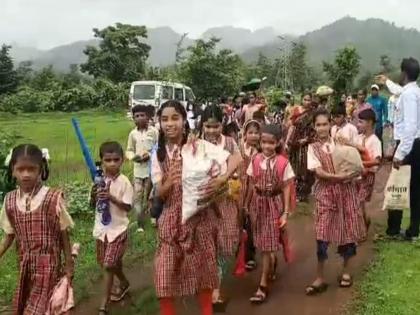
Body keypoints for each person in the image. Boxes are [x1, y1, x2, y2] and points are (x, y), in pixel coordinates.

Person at [150, 100, 241, 315]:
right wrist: (169, 181)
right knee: (165, 275)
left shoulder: (197, 147)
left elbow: (236, 158)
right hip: (171, 223)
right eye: (164, 119)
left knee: (203, 274)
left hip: (200, 220)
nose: (170, 124)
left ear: (184, 121)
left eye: (175, 118)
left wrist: (222, 180)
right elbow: (158, 193)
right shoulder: (159, 154)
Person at [0, 144, 74, 315]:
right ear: (13, 170)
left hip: (49, 264)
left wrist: (69, 264)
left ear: (41, 170)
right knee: (30, 303)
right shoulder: (10, 201)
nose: (26, 174)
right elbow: (9, 235)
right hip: (24, 264)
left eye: (31, 169)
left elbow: (64, 233)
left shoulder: (52, 198)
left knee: (35, 310)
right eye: (20, 169)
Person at [305, 109, 365, 296]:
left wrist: (353, 173)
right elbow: (317, 171)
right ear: (314, 127)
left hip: (347, 193)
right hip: (326, 194)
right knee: (322, 235)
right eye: (318, 124)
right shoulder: (312, 148)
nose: (322, 128)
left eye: (325, 124)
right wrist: (337, 177)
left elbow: (357, 161)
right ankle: (319, 277)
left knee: (347, 232)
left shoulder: (341, 142)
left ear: (330, 124)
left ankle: (346, 271)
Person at [245, 124, 294, 304]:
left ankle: (263, 284)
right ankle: (272, 260)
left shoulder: (283, 163)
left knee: (266, 246)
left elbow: (287, 186)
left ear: (278, 143)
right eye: (264, 142)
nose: (267, 146)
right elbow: (250, 183)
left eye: (271, 143)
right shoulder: (256, 160)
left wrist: (285, 212)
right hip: (258, 205)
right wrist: (246, 206)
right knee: (262, 242)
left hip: (274, 204)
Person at [199, 104, 243, 308]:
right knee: (208, 243)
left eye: (215, 126)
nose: (211, 131)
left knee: (225, 243)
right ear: (202, 126)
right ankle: (214, 289)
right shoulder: (196, 145)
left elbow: (238, 161)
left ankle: (215, 282)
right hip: (205, 202)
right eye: (207, 126)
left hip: (226, 199)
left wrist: (225, 178)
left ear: (221, 124)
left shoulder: (230, 143)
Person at [92, 142, 133, 314]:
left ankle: (104, 305)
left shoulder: (125, 182)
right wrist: (94, 195)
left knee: (109, 265)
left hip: (118, 230)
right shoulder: (98, 181)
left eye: (116, 160)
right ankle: (124, 282)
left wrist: (111, 197)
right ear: (101, 162)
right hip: (102, 231)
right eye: (107, 160)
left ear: (122, 160)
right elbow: (92, 205)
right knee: (108, 263)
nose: (112, 164)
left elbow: (128, 207)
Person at [391, 57, 420, 240]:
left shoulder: (409, 95)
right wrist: (386, 82)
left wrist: (401, 153)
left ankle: (393, 228)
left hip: (409, 144)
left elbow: (410, 126)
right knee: (416, 188)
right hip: (417, 143)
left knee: (397, 184)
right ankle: (413, 230)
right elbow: (398, 90)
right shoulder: (415, 91)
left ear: (404, 73)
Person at [126, 105, 158, 233]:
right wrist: (134, 157)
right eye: (137, 116)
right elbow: (129, 149)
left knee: (151, 194)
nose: (140, 118)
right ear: (133, 119)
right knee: (137, 195)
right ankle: (140, 223)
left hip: (152, 169)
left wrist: (149, 155)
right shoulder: (133, 134)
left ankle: (153, 216)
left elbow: (159, 147)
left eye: (142, 115)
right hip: (138, 170)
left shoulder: (154, 131)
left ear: (148, 117)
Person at [354, 109, 382, 238]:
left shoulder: (375, 141)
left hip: (368, 176)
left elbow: (377, 162)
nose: (358, 124)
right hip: (356, 176)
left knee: (359, 202)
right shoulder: (358, 138)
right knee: (359, 203)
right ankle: (365, 222)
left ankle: (362, 233)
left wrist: (362, 164)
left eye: (361, 121)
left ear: (370, 122)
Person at [239, 120, 261, 271]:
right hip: (239, 189)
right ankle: (238, 254)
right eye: (250, 132)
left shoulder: (261, 153)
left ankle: (250, 255)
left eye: (256, 133)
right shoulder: (239, 149)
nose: (253, 136)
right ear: (245, 134)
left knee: (252, 223)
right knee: (238, 222)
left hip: (254, 192)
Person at [287, 92, 316, 202]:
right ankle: (294, 191)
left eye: (309, 100)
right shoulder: (296, 110)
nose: (307, 102)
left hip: (306, 145)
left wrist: (306, 139)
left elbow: (314, 130)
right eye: (305, 99)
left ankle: (303, 193)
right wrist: (288, 141)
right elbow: (292, 126)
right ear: (301, 100)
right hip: (295, 143)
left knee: (305, 168)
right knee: (294, 167)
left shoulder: (312, 114)